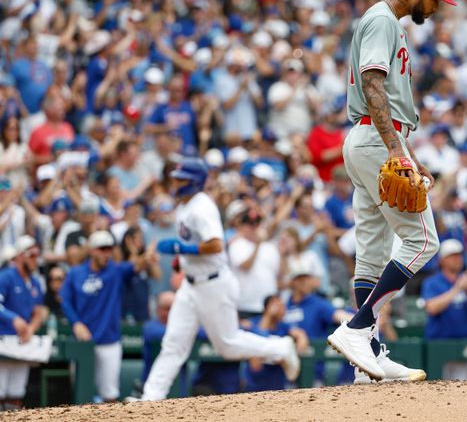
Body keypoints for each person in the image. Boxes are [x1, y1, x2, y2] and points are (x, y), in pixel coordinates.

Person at [327, 0, 456, 382]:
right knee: (423, 241)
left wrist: (406, 152)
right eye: (435, 0)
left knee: (372, 252)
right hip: (376, 139)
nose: (436, 8)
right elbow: (373, 84)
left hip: (369, 139)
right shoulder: (382, 20)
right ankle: (359, 327)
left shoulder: (385, 21)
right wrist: (395, 149)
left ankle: (371, 360)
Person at [141, 158, 299, 401]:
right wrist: (181, 260)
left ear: (194, 182)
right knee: (173, 344)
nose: (176, 182)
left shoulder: (201, 206)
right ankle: (150, 398)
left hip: (213, 284)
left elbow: (215, 245)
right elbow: (195, 243)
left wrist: (181, 249)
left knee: (227, 344)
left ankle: (279, 347)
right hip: (191, 285)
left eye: (181, 178)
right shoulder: (185, 205)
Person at [60, 230, 154, 402]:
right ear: (92, 250)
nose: (107, 253)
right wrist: (76, 323)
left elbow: (136, 265)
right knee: (81, 394)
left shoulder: (115, 271)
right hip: (83, 344)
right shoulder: (76, 273)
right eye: (102, 249)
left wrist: (145, 257)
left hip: (109, 341)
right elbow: (65, 300)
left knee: (109, 395)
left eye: (109, 249)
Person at [421, 239, 467, 380]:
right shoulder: (433, 282)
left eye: (459, 255)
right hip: (438, 346)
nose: (457, 259)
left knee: (462, 392)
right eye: (452, 256)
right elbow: (432, 308)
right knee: (437, 391)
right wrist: (456, 289)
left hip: (463, 346)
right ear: (442, 260)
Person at [0, 236, 48, 411]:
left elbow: (39, 310)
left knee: (16, 392)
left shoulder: (35, 282)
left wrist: (31, 327)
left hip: (22, 343)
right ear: (20, 255)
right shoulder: (6, 276)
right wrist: (14, 319)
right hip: (3, 339)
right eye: (31, 255)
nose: (35, 260)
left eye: (37, 255)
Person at [244, 295, 309, 392]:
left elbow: (298, 333)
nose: (282, 309)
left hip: (276, 381)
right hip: (256, 381)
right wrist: (268, 316)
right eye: (277, 306)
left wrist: (301, 339)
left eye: (282, 306)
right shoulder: (253, 323)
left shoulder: (282, 326)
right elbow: (258, 339)